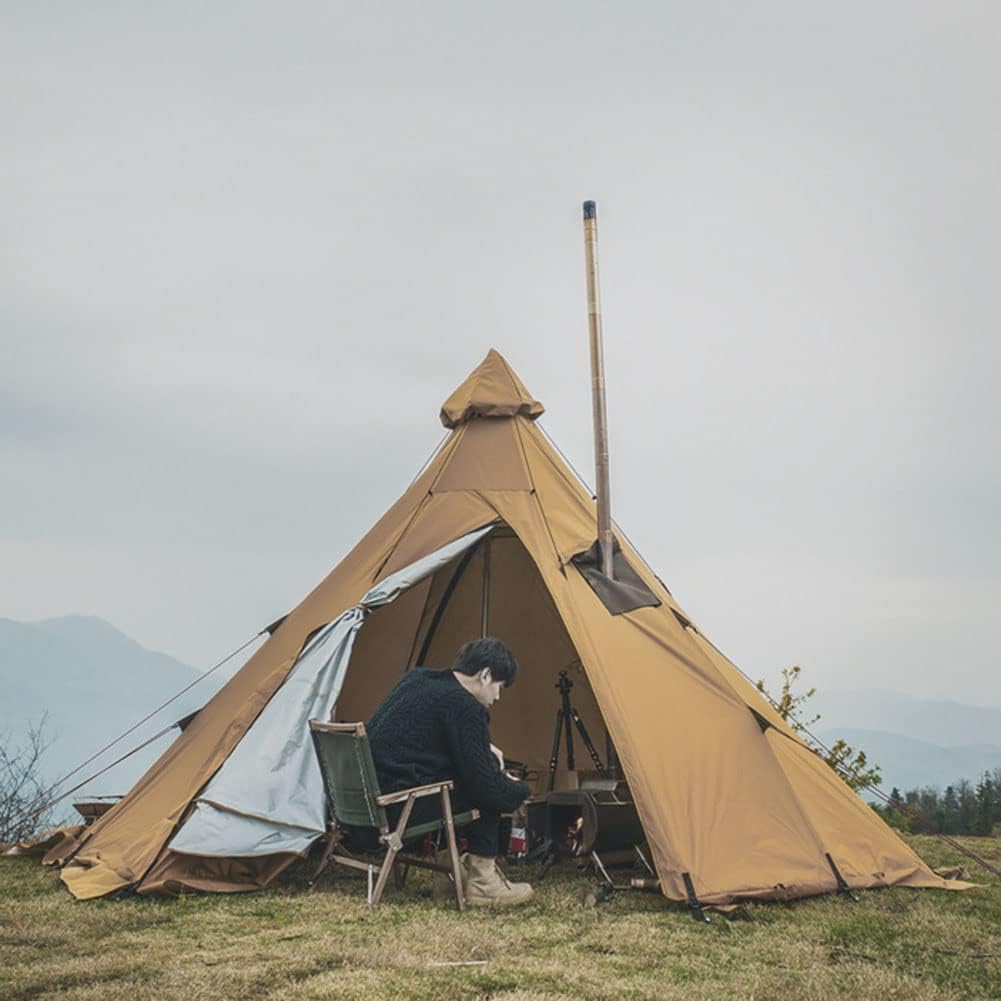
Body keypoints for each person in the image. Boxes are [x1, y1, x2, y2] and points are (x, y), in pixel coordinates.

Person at [366, 637, 534, 907]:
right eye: (499, 686)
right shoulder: (464, 706)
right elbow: (487, 787)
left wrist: (485, 748)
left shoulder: (418, 680)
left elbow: (425, 740)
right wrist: (521, 789)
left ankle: (449, 876)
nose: (498, 696)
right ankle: (483, 884)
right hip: (397, 809)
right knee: (489, 790)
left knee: (458, 777)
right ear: (485, 675)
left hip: (367, 802)